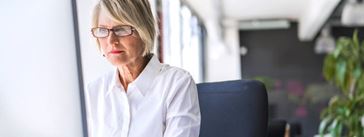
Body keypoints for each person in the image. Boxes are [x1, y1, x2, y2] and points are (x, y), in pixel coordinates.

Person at [85, 0, 201, 137]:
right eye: (103, 30)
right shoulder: (94, 92)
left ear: (144, 30)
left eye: (121, 29)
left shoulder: (177, 84)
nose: (111, 41)